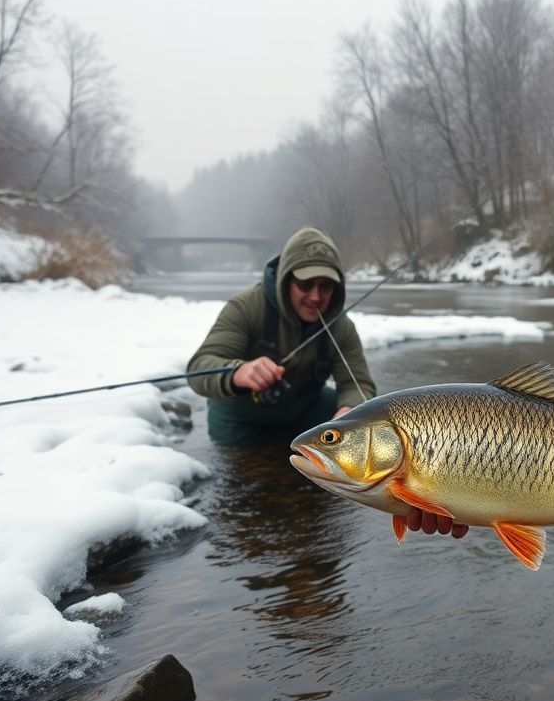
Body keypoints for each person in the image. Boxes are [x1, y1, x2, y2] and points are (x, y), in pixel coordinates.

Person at [188, 226, 467, 538]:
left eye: (326, 286)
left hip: (302, 409)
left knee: (344, 432)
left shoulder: (340, 327)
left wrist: (348, 412)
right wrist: (238, 372)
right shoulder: (246, 308)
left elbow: (357, 383)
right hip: (238, 416)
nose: (316, 296)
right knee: (250, 484)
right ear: (285, 280)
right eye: (305, 284)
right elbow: (200, 367)